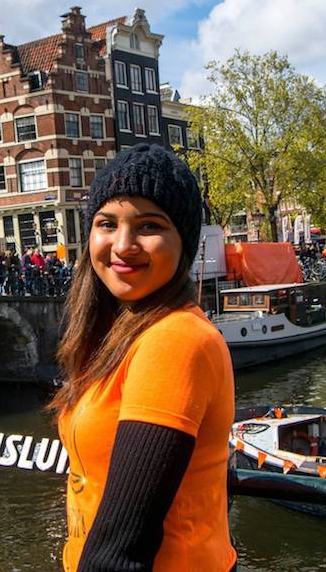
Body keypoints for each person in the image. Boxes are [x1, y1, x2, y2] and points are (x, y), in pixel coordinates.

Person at [53, 144, 236, 571]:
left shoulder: (175, 340)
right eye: (106, 223)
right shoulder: (121, 333)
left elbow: (120, 551)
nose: (123, 245)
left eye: (149, 226)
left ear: (183, 243)